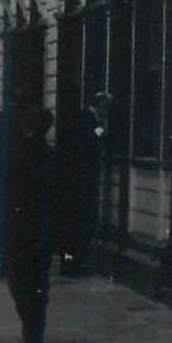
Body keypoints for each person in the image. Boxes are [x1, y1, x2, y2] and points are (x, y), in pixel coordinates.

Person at [6, 105, 57, 343]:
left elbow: (13, 191)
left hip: (22, 225)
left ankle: (30, 320)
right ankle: (35, 325)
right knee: (38, 279)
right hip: (43, 226)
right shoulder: (51, 155)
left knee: (18, 277)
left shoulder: (19, 153)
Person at [58, 92, 109, 275]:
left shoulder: (84, 118)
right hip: (81, 181)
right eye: (106, 107)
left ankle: (72, 262)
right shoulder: (88, 120)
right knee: (78, 221)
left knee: (76, 222)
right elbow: (93, 141)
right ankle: (73, 264)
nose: (107, 112)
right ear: (100, 105)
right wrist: (103, 131)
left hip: (77, 180)